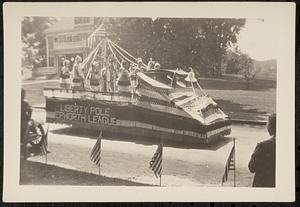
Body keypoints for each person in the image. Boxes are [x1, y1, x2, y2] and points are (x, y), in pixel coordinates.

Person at [248, 113, 276, 187]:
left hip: (262, 185)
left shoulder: (263, 146)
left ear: (272, 127)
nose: (267, 126)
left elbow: (252, 167)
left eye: (268, 123)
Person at [21, 89, 32, 159]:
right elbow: (30, 110)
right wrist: (28, 118)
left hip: (18, 121)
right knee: (25, 139)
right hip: (24, 121)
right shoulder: (25, 102)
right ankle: (25, 155)